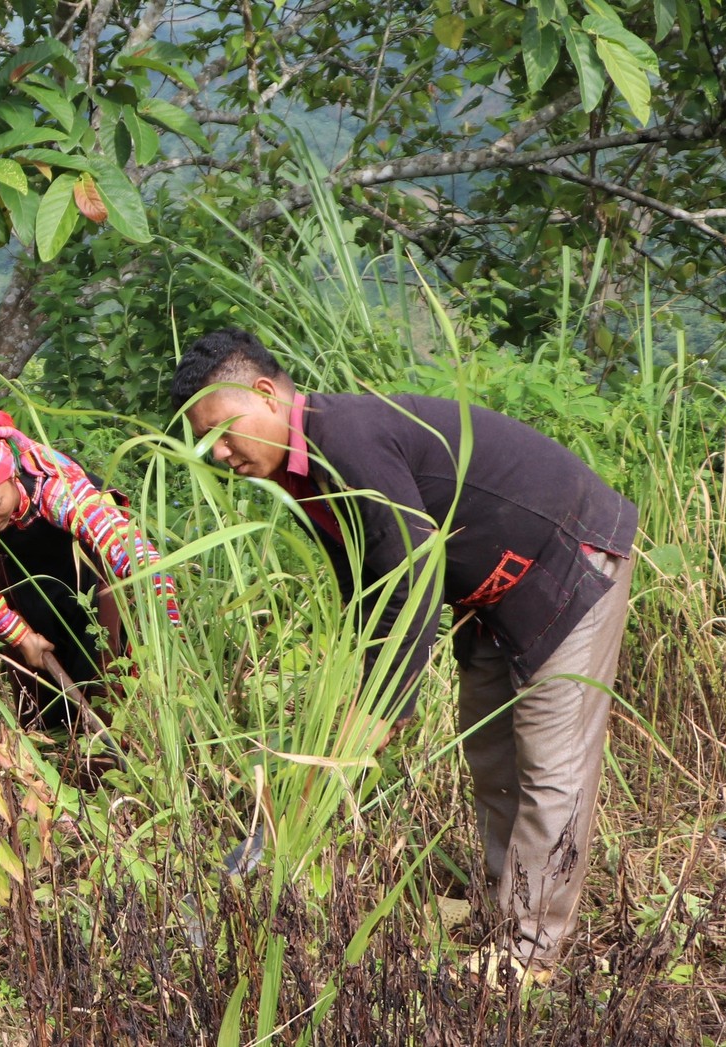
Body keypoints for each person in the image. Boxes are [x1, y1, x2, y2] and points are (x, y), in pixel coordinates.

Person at [170, 328, 637, 978]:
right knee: (492, 752)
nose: (220, 453)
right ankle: (503, 915)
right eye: (206, 443)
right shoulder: (301, 476)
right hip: (484, 591)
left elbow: (413, 579)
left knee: (550, 765)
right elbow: (370, 586)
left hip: (565, 558)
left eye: (223, 430)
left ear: (267, 394)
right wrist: (352, 701)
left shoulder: (349, 439)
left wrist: (381, 710)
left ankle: (529, 955)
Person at [0, 411, 183, 731]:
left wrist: (169, 632)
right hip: (25, 572)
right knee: (36, 685)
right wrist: (19, 635)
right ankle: (52, 750)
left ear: (12, 478)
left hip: (91, 567)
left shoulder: (57, 487)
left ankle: (111, 743)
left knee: (104, 665)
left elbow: (138, 559)